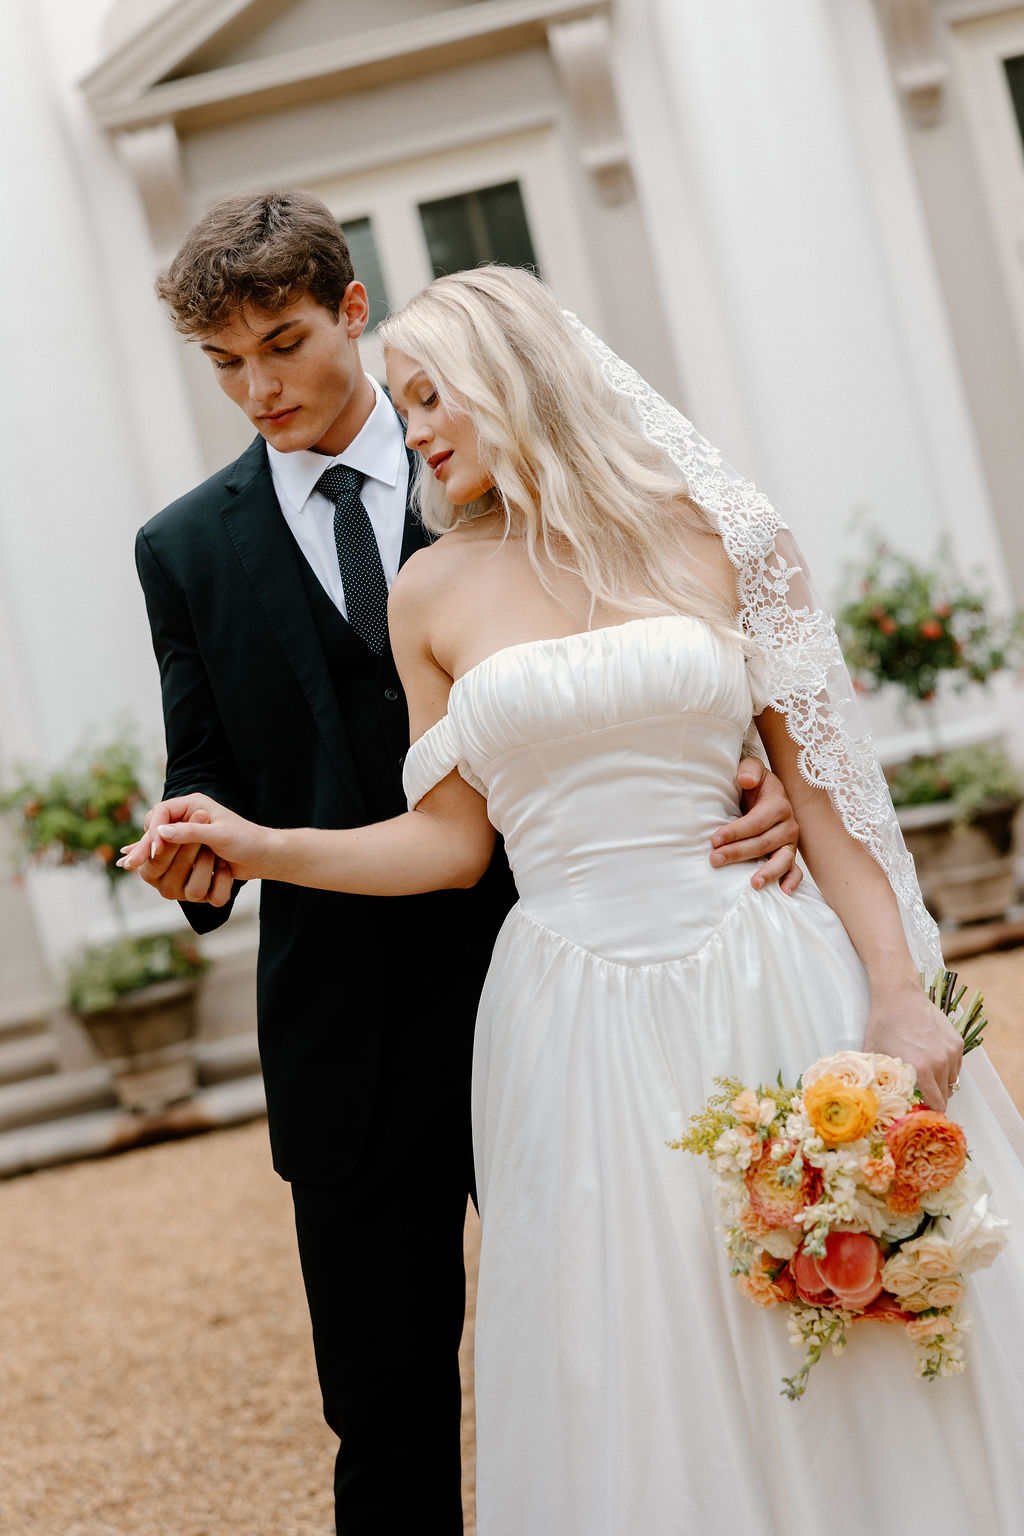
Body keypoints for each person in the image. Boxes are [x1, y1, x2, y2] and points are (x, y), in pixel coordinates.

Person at [124, 262, 1024, 1535]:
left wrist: (894, 989)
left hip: (757, 966)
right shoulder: (429, 590)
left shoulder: (719, 535)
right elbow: (442, 844)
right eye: (408, 403)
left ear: (515, 382)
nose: (417, 427)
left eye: (433, 398)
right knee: (632, 1344)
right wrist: (259, 844)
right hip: (564, 1013)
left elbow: (822, 791)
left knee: (829, 1305)